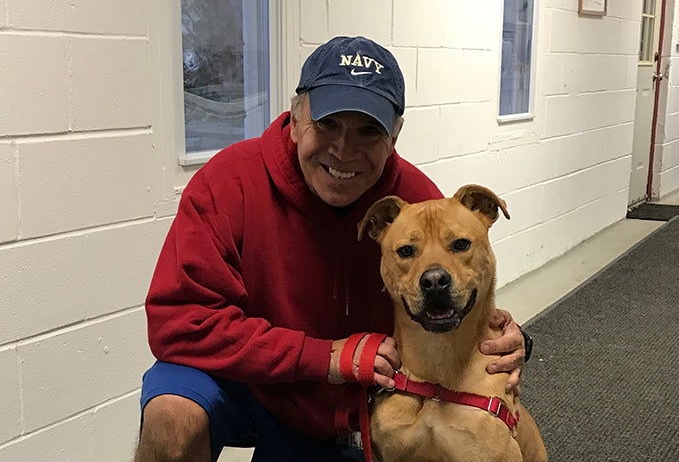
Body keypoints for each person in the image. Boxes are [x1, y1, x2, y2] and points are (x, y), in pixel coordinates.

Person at [135, 36, 528, 462]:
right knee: (172, 413)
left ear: (394, 136)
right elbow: (178, 323)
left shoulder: (415, 204)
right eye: (328, 124)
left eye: (368, 131)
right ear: (296, 118)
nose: (343, 150)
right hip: (251, 385)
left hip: (354, 409)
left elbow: (451, 290)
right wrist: (323, 358)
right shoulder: (227, 184)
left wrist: (512, 338)